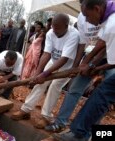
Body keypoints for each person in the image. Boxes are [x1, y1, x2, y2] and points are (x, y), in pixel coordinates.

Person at [45, 0, 115, 133]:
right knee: (74, 89)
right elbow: (84, 43)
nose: (87, 21)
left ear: (97, 9)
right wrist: (81, 64)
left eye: (88, 16)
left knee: (103, 96)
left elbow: (105, 45)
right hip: (93, 55)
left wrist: (93, 65)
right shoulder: (84, 15)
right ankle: (61, 122)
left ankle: (90, 131)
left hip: (110, 58)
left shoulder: (111, 17)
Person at [11, 14, 79, 127]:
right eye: (53, 27)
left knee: (54, 87)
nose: (55, 30)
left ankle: (46, 117)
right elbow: (46, 54)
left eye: (58, 28)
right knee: (40, 84)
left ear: (66, 26)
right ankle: (25, 110)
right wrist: (37, 74)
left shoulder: (74, 35)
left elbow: (64, 59)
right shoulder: (50, 33)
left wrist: (45, 73)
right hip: (53, 61)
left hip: (67, 66)